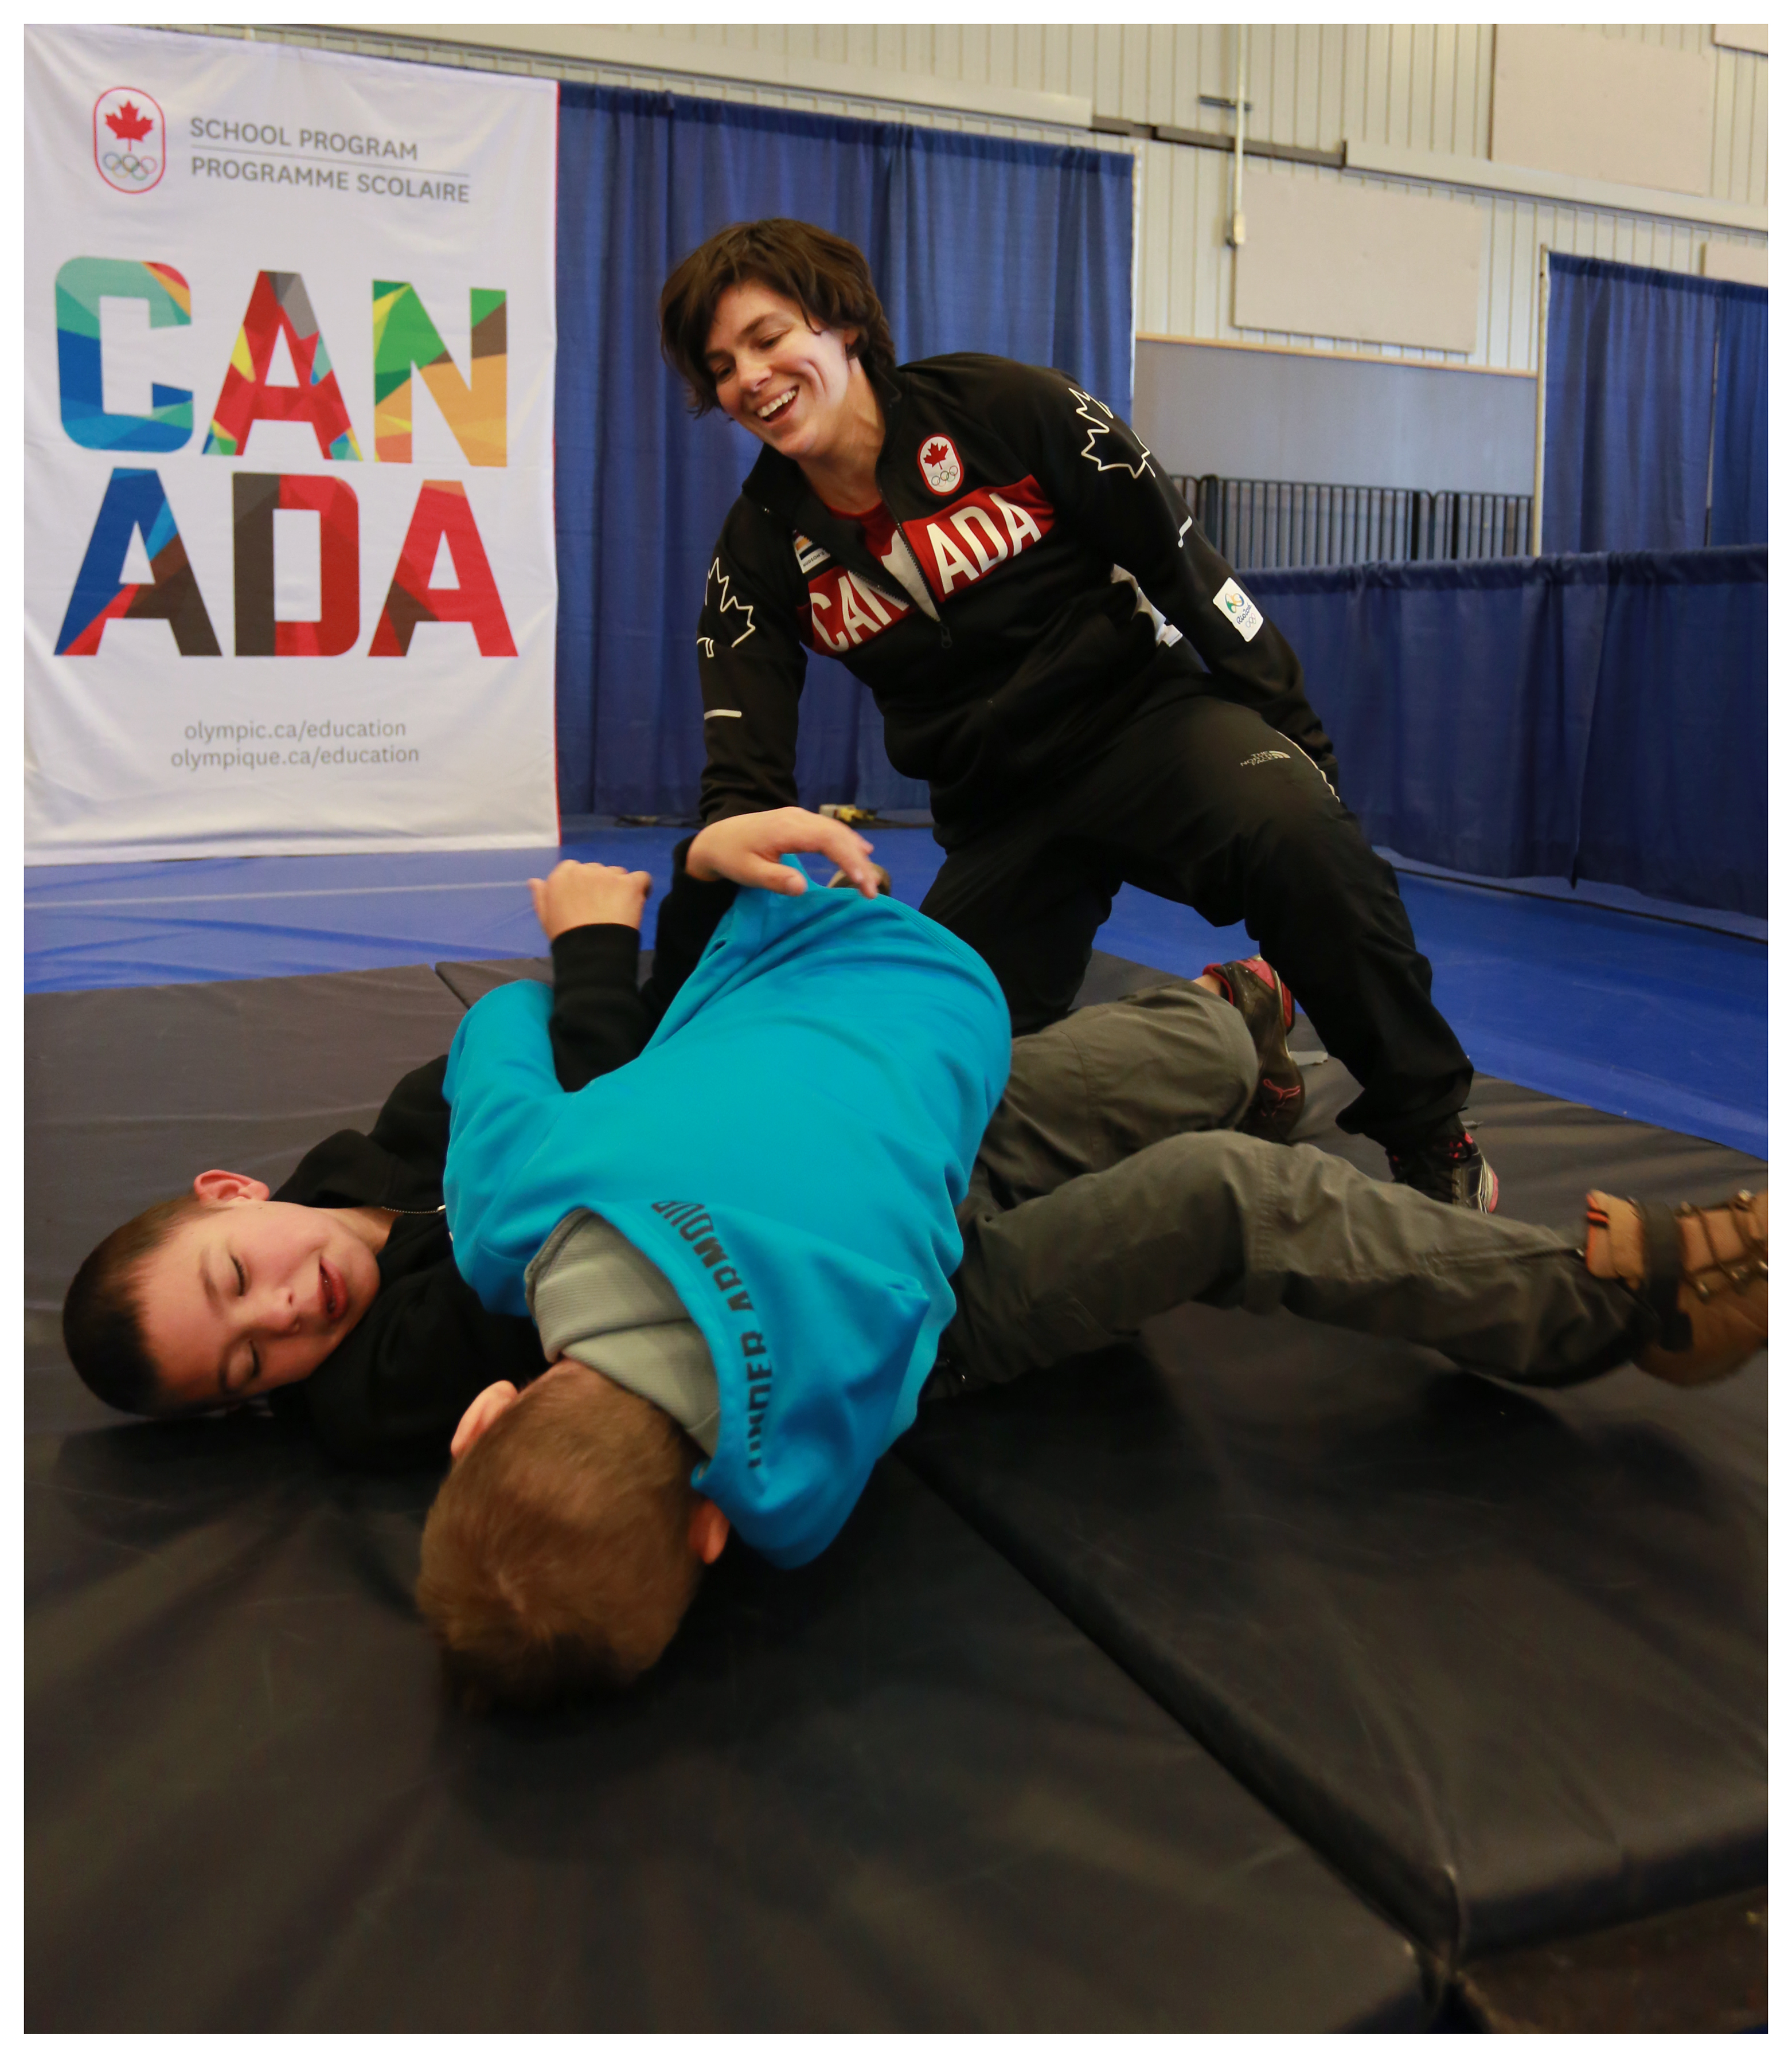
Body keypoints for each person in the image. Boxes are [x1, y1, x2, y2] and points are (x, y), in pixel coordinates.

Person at [410, 820, 1767, 1710]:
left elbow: (739, 1513)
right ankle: (1613, 1308)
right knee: (1222, 1194)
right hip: (921, 1294)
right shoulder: (520, 1221)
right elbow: (507, 1032)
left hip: (914, 1128)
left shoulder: (765, 1496)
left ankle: (1232, 1052)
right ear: (493, 1419)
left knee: (1209, 1058)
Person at [655, 218, 1499, 1209]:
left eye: (767, 338)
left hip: (1143, 729)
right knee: (933, 1074)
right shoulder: (757, 548)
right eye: (721, 366)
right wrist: (730, 867)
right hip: (995, 809)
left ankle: (1430, 1135)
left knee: (1299, 834)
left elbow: (1183, 568)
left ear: (842, 324)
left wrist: (1295, 739)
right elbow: (741, 777)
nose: (748, 378)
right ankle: (1235, 1033)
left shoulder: (1010, 409)